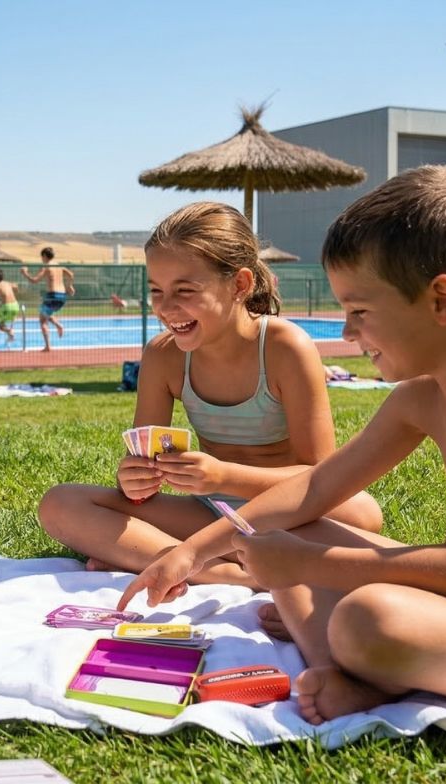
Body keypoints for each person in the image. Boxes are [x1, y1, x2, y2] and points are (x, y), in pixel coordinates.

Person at [119, 167, 446, 724]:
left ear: (442, 300)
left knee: (370, 617)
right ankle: (342, 672)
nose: (348, 334)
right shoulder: (424, 396)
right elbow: (315, 487)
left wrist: (307, 563)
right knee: (285, 526)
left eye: (360, 312)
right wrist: (191, 551)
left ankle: (360, 665)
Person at [40, 202, 382, 588]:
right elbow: (140, 467)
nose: (167, 308)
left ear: (239, 285)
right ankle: (231, 572)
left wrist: (223, 475)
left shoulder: (286, 348)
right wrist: (134, 478)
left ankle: (160, 556)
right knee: (61, 504)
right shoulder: (163, 355)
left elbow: (319, 480)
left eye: (185, 290)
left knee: (362, 512)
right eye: (156, 291)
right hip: (210, 512)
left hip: (290, 516)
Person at [21, 247, 76, 351]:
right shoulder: (59, 266)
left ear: (45, 256)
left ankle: (48, 346)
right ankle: (58, 325)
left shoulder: (46, 267)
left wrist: (25, 273)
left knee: (42, 321)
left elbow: (34, 280)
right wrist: (69, 286)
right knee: (46, 313)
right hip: (62, 297)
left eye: (42, 257)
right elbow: (71, 274)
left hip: (52, 295)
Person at [0, 269, 20, 345]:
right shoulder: (8, 283)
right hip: (15, 305)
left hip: (7, 307)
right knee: (3, 322)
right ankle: (10, 335)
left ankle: (10, 332)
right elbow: (16, 285)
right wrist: (16, 290)